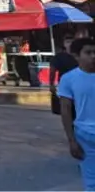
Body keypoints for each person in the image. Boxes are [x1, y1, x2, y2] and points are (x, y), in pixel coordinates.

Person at [59, 37, 95, 190]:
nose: (93, 56)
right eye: (88, 52)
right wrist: (71, 140)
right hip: (85, 135)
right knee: (91, 180)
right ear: (76, 56)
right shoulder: (68, 79)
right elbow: (65, 110)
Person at [55, 35, 81, 115]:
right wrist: (51, 84)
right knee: (67, 107)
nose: (69, 44)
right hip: (65, 84)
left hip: (78, 83)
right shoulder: (59, 56)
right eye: (67, 42)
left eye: (71, 42)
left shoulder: (79, 55)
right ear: (64, 44)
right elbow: (53, 69)